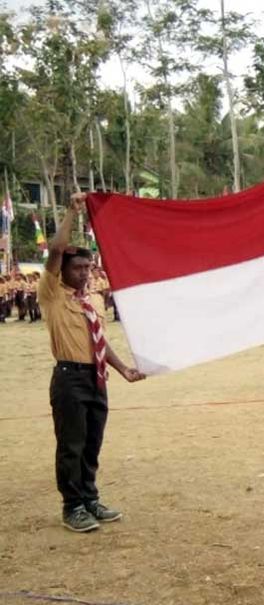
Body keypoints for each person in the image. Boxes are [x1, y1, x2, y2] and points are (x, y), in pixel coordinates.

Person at [39, 192, 146, 533]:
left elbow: (99, 341)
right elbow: (56, 250)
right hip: (70, 378)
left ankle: (89, 498)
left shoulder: (94, 300)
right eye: (78, 268)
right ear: (64, 271)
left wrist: (123, 368)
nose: (84, 273)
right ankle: (72, 506)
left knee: (92, 442)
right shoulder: (52, 294)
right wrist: (72, 211)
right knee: (71, 443)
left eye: (88, 267)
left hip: (96, 377)